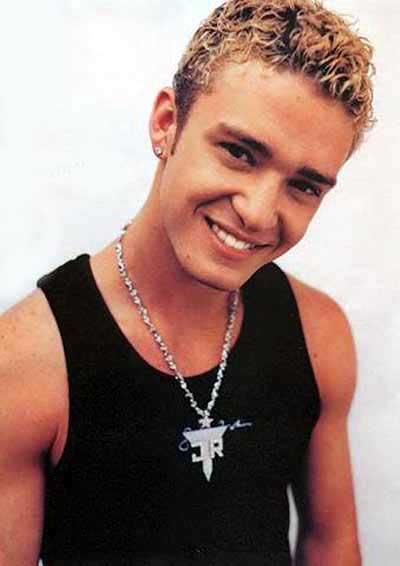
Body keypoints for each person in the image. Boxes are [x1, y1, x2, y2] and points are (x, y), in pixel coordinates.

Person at [0, 0, 375, 564]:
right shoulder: (26, 364)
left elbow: (330, 543)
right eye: (239, 152)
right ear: (166, 123)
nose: (258, 212)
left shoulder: (318, 332)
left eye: (304, 186)